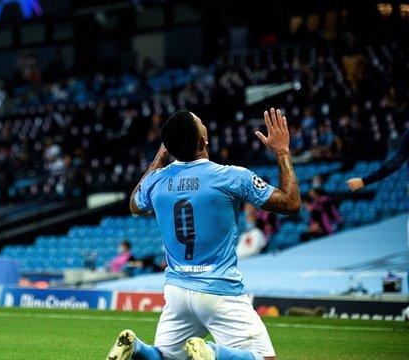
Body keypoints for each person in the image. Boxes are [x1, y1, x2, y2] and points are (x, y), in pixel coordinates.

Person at [107, 108, 300, 360]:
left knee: (166, 357)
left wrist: (160, 156)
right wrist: (282, 151)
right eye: (200, 122)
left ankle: (138, 350)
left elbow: (135, 203)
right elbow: (291, 203)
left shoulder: (157, 181)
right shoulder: (231, 176)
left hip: (177, 290)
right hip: (219, 289)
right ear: (203, 141)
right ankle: (212, 353)